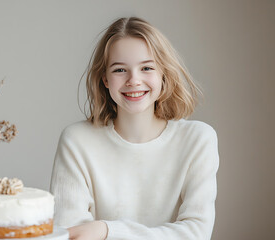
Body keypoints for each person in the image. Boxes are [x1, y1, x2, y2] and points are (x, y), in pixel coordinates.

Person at [50, 17, 219, 240]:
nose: (134, 80)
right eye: (120, 70)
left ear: (163, 74)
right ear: (105, 80)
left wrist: (106, 231)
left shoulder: (198, 139)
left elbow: (196, 233)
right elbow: (71, 233)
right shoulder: (76, 140)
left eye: (147, 67)